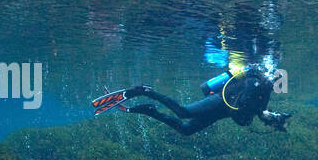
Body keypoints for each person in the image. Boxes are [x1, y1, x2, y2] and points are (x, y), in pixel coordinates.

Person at [116, 64, 292, 135]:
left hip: (222, 112)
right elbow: (243, 106)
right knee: (183, 112)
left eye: (275, 84)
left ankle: (150, 111)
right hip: (220, 101)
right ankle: (147, 91)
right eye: (274, 81)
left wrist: (274, 119)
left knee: (186, 130)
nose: (273, 84)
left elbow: (259, 110)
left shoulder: (265, 91)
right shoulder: (253, 82)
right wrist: (260, 114)